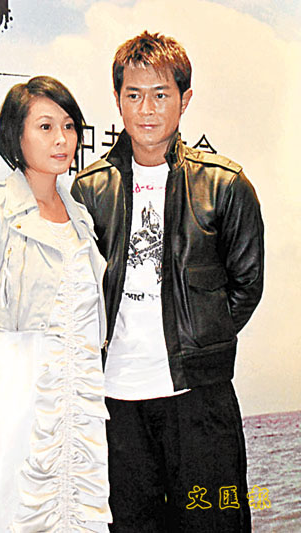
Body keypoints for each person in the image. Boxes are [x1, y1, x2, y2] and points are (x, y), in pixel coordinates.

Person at [71, 31, 264, 532]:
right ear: (117, 100)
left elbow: (246, 284)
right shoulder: (88, 191)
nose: (147, 109)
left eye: (161, 94)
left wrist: (200, 340)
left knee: (213, 521)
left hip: (199, 401)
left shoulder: (224, 184)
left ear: (185, 99)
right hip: (115, 406)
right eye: (133, 95)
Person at [0, 76, 112, 532]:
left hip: (75, 392)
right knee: (14, 513)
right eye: (45, 126)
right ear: (16, 135)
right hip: (12, 391)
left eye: (69, 126)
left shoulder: (81, 216)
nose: (62, 139)